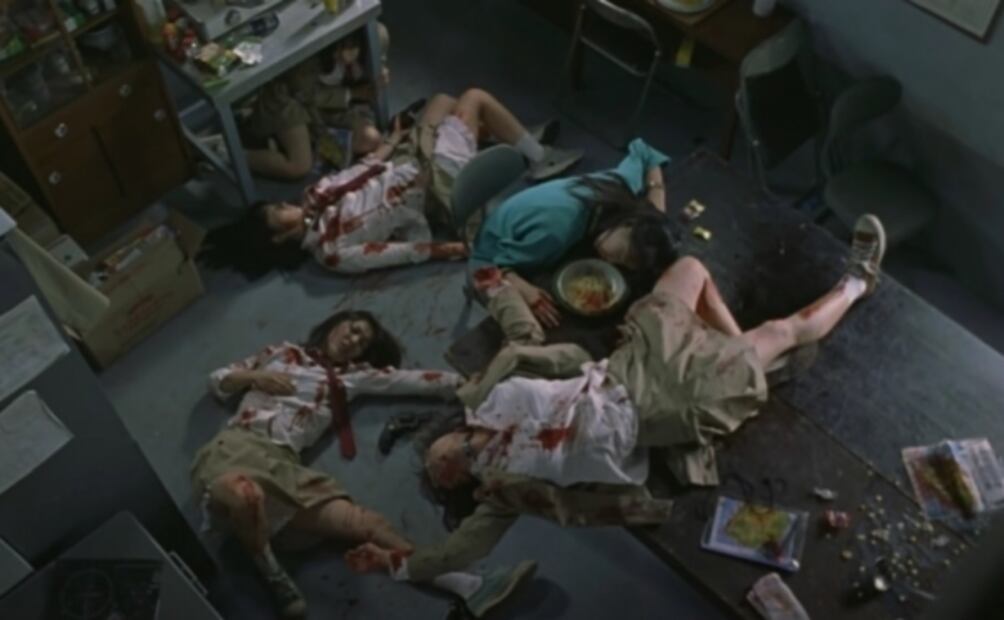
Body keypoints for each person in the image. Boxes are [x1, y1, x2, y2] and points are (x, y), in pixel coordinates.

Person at [342, 214, 888, 583]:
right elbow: (456, 553)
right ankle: (859, 281)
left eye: (433, 457)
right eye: (441, 479)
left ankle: (733, 349)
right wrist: (393, 562)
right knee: (782, 331)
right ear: (458, 486)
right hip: (660, 405)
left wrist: (503, 288)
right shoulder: (502, 492)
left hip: (623, 367)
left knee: (689, 270)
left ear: (445, 437)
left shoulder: (484, 399)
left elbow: (534, 349)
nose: (438, 466)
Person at [193, 310, 463, 617]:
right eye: (353, 329)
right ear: (335, 324)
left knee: (368, 524)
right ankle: (272, 573)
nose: (353, 340)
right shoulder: (281, 353)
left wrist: (468, 384)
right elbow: (219, 380)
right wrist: (257, 377)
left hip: (283, 463)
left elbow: (411, 381)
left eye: (362, 343)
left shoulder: (352, 378)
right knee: (245, 494)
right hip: (237, 446)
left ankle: (453, 580)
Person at [200, 89, 583, 279]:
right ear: (279, 239)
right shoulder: (332, 251)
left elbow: (364, 168)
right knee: (474, 97)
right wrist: (450, 249)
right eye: (278, 212)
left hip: (404, 162)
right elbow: (397, 252)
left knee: (441, 101)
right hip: (430, 186)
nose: (284, 204)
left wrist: (393, 140)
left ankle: (509, 141)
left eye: (277, 203)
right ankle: (538, 157)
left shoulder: (315, 196)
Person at [469, 138, 678, 327]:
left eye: (623, 264)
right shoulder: (556, 233)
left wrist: (656, 205)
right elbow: (496, 265)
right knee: (533, 326)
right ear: (629, 223)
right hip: (489, 258)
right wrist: (525, 290)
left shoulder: (620, 187)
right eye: (622, 254)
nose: (613, 263)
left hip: (531, 235)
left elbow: (644, 151)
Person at [239, 25, 391, 180]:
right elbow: (305, 93)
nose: (344, 55)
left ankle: (303, 141)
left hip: (328, 106)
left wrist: (379, 77)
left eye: (352, 47)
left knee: (370, 139)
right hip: (292, 100)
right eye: (341, 47)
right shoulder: (317, 48)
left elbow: (374, 72)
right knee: (299, 166)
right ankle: (236, 158)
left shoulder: (373, 38)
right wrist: (353, 93)